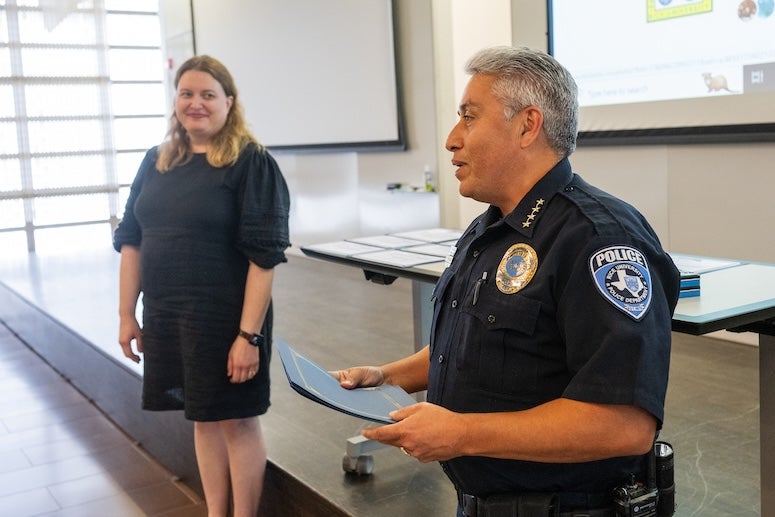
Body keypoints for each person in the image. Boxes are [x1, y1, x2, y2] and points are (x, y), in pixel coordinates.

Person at [333, 46, 680, 516]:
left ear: (527, 125)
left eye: (469, 118)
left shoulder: (598, 239)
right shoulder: (492, 228)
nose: (452, 140)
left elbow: (623, 424)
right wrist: (389, 376)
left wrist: (460, 433)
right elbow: (475, 343)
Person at [113, 55, 290, 517]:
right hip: (170, 315)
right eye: (186, 93)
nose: (196, 103)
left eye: (208, 94)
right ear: (175, 102)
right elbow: (131, 240)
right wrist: (126, 314)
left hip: (227, 320)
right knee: (203, 417)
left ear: (229, 103)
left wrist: (247, 337)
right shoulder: (157, 161)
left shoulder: (251, 163)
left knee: (236, 420)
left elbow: (264, 256)